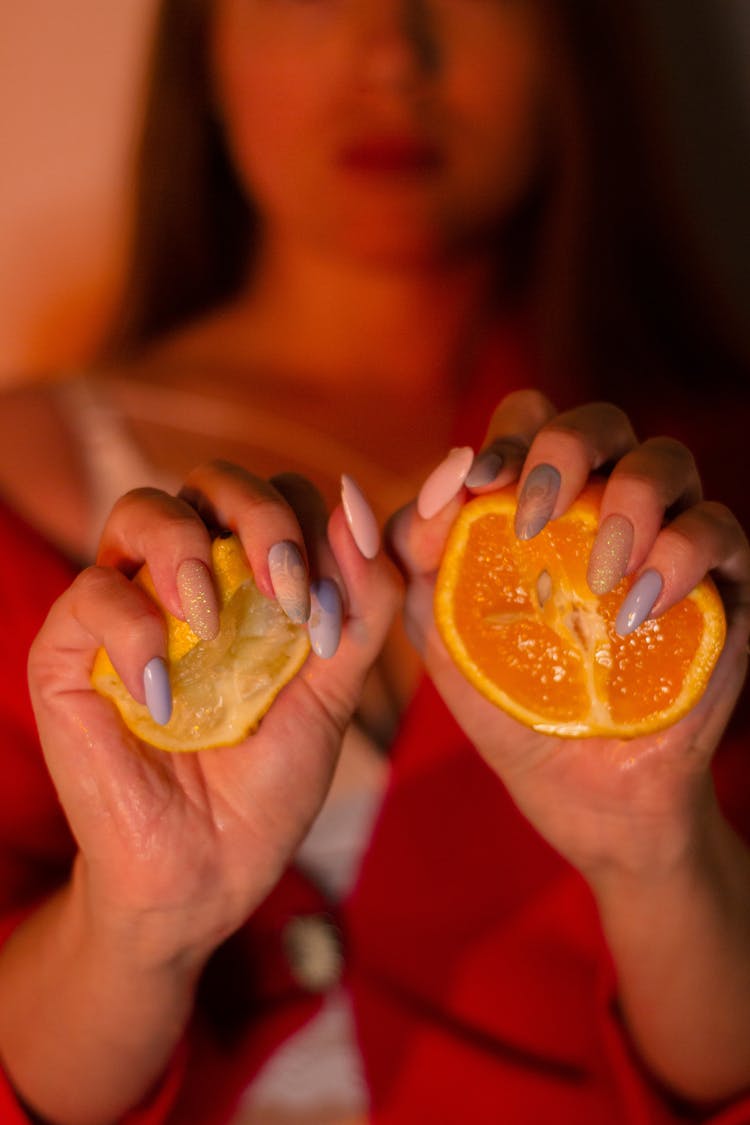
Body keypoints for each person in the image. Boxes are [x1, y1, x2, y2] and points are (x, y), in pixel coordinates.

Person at [0, 0, 748, 1121]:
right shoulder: (24, 475)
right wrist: (135, 926)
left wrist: (657, 850)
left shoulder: (705, 499)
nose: (394, 53)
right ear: (202, 43)